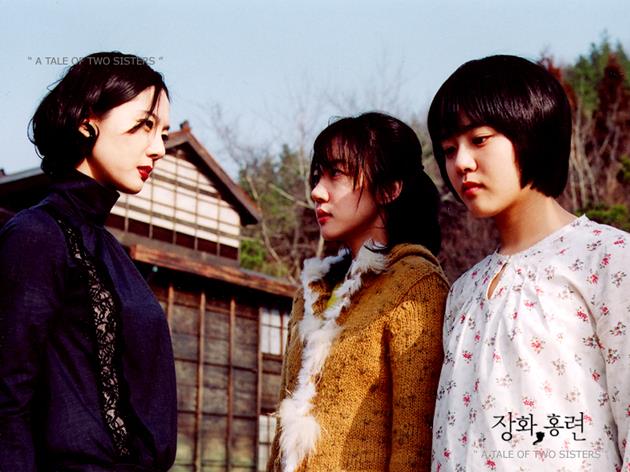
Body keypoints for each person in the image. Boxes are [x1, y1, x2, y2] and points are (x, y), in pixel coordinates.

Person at [428, 55, 630, 471]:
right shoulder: (462, 291)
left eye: (479, 139)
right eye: (449, 149)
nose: (461, 162)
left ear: (532, 132)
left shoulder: (607, 258)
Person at [0, 51, 177, 471]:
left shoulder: (110, 251)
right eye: (145, 125)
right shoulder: (37, 235)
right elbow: (6, 398)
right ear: (87, 121)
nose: (159, 149)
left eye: (164, 133)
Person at [267, 112, 449, 471]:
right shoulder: (311, 293)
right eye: (317, 176)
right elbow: (284, 436)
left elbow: (414, 443)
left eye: (336, 174)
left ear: (389, 188)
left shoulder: (415, 285)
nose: (317, 191)